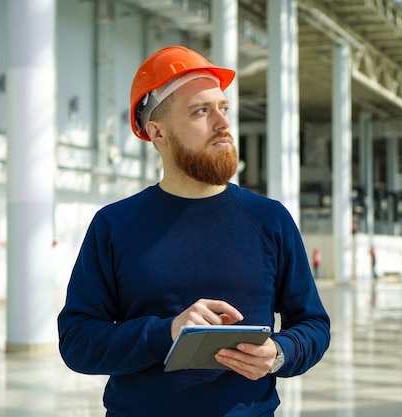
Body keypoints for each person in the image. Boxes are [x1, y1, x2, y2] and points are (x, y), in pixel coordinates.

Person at [57, 45, 331, 417]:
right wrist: (167, 332)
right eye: (201, 111)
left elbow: (313, 323)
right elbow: (77, 342)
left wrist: (279, 353)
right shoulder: (115, 226)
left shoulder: (270, 220)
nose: (223, 123)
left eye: (223, 108)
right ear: (158, 132)